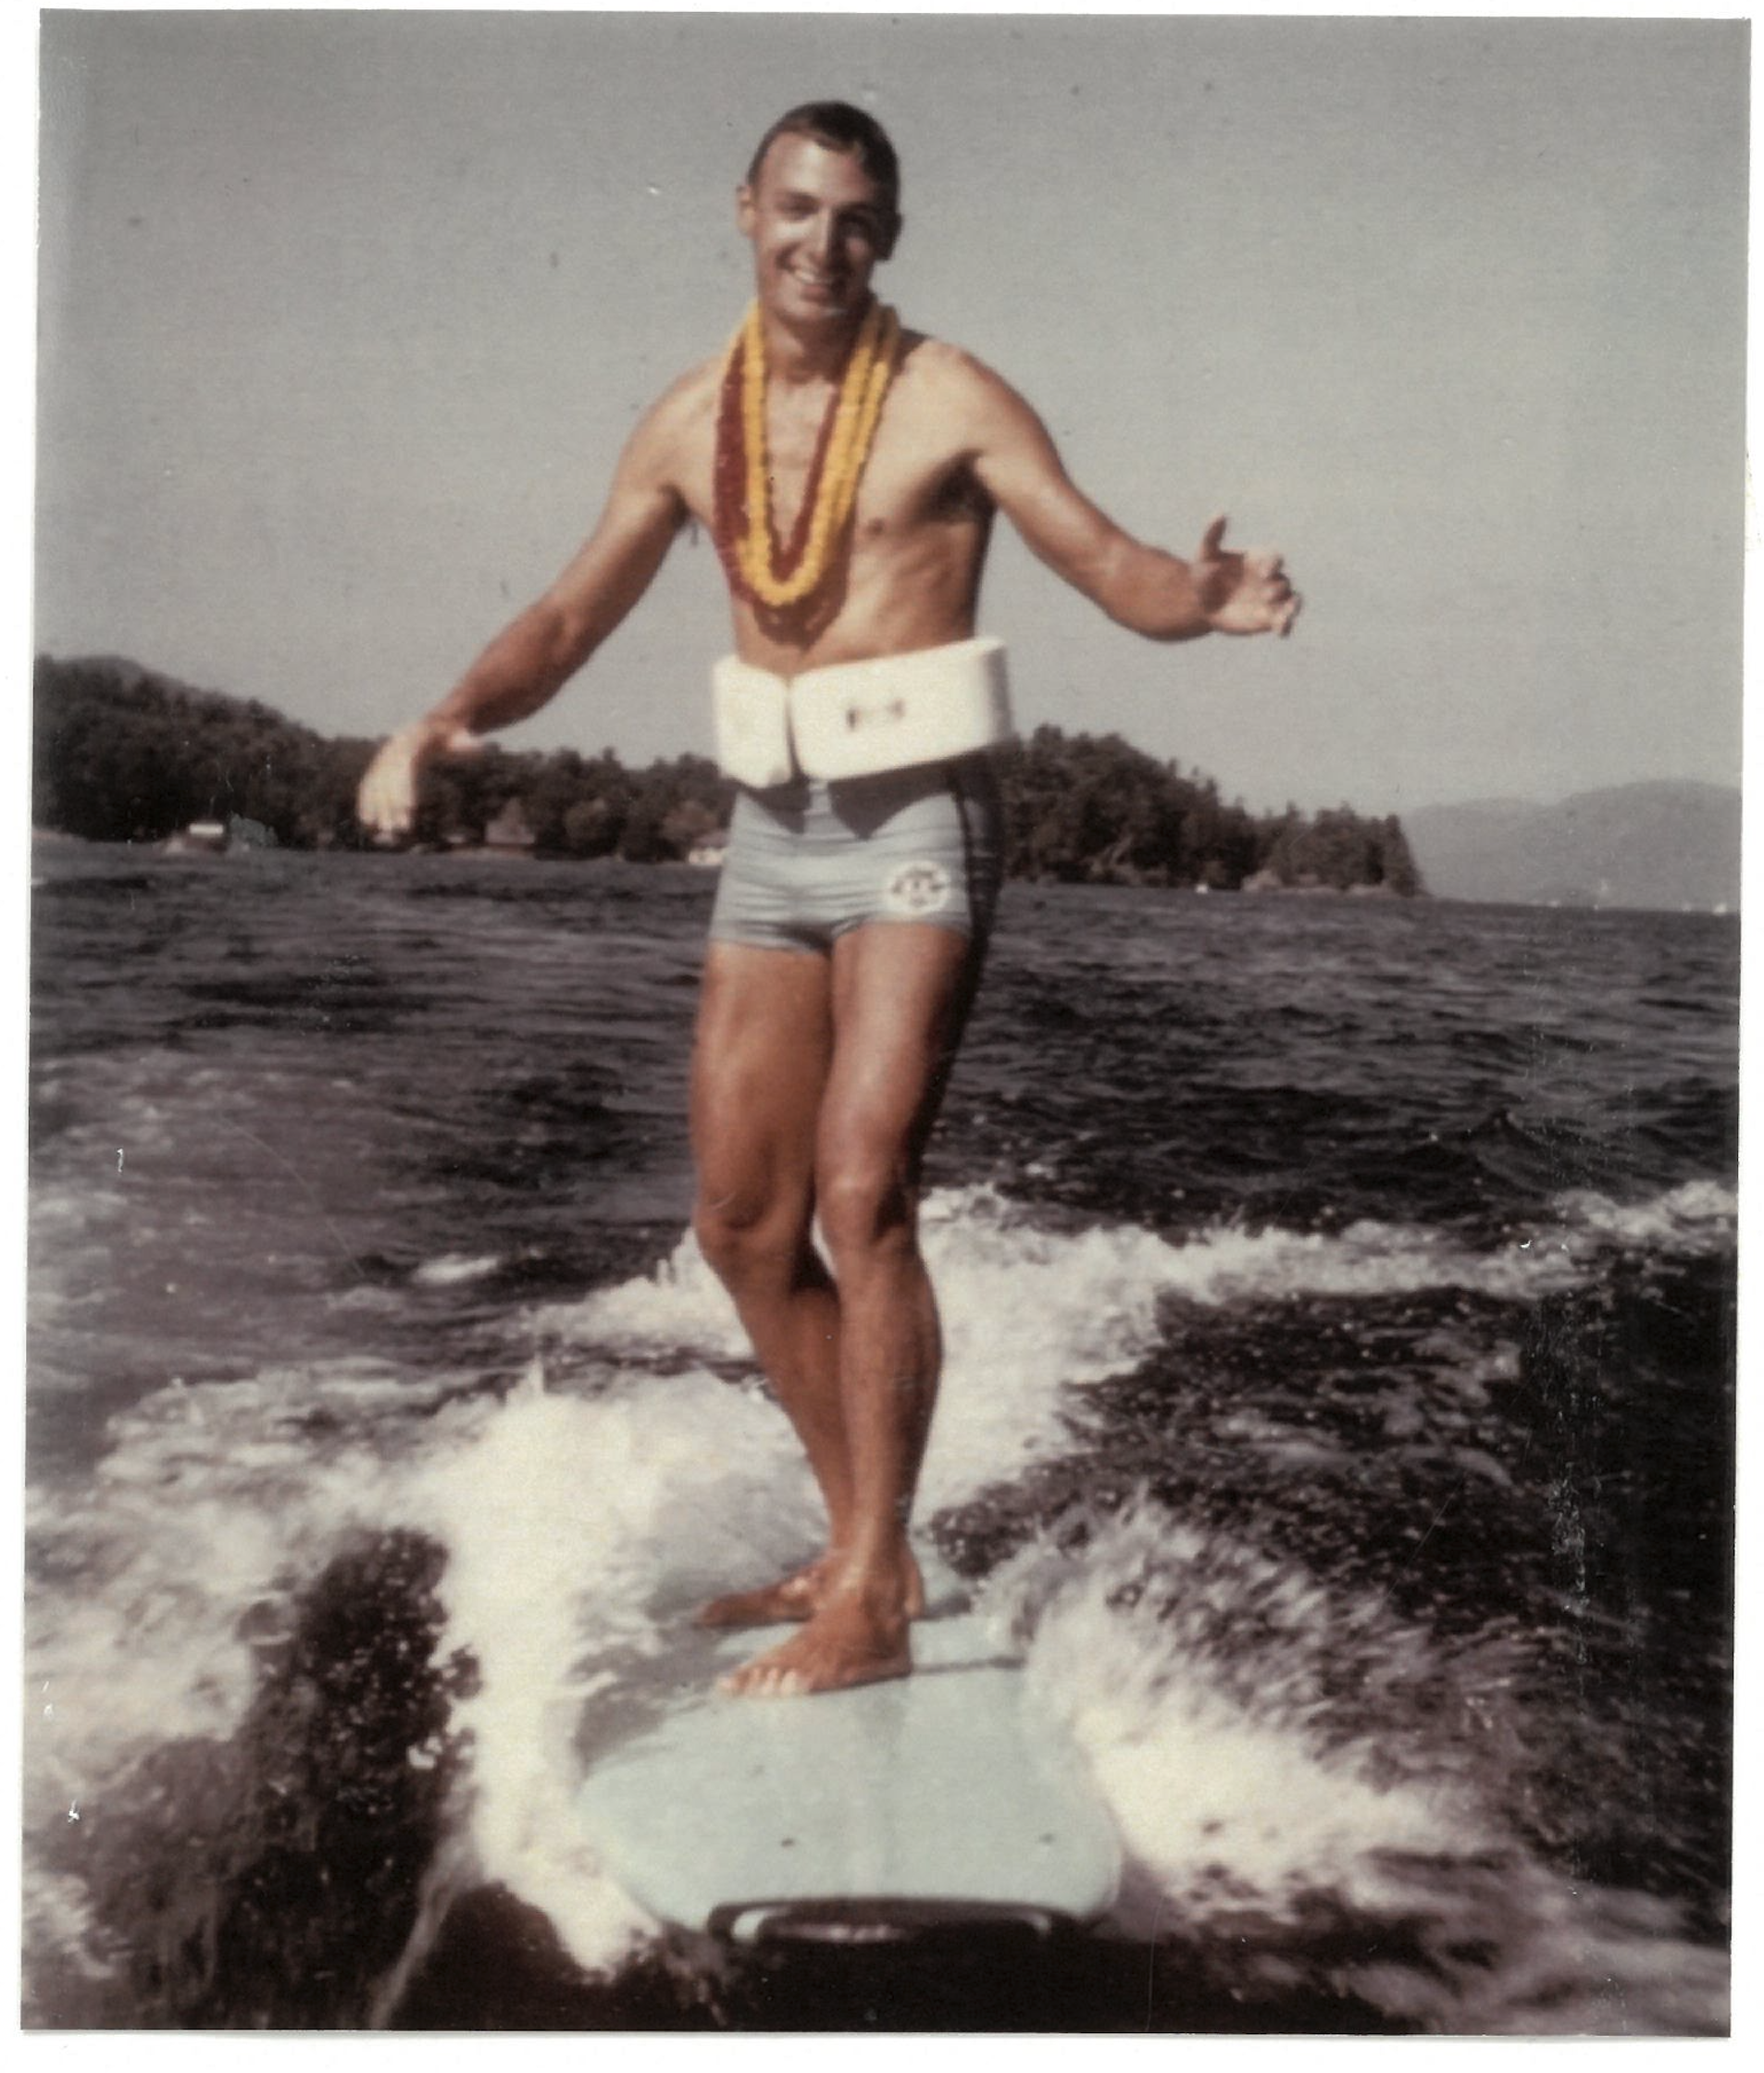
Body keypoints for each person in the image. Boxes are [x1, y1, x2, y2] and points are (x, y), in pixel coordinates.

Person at [356, 101, 1299, 1700]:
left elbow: (1106, 559)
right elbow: (570, 614)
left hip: (916, 819)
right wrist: (442, 717)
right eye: (797, 208)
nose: (822, 243)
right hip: (771, 833)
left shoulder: (950, 395)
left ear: (889, 238)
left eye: (856, 218)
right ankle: (867, 1537)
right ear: (745, 209)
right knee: (739, 1225)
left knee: (861, 1194)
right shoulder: (688, 422)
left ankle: (868, 1592)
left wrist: (1194, 601)